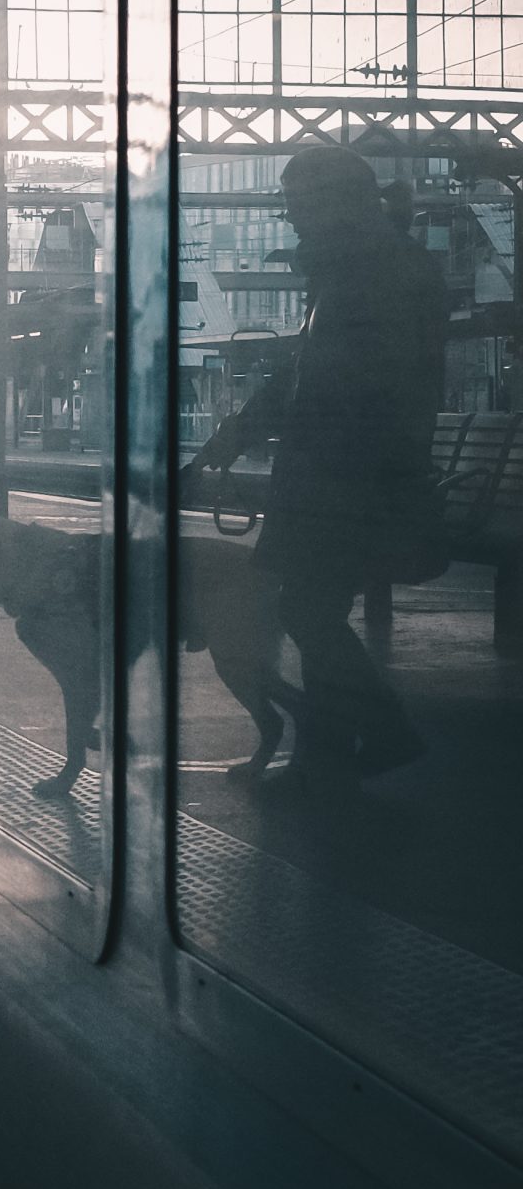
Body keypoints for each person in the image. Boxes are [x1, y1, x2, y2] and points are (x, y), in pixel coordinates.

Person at [192, 145, 447, 779]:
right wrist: (234, 436)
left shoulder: (374, 274)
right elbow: (308, 375)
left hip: (349, 479)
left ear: (339, 202)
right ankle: (325, 756)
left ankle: (381, 730)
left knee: (304, 609)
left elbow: (335, 382)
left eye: (299, 203)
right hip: (345, 473)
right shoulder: (361, 269)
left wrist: (242, 436)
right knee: (313, 608)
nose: (292, 217)